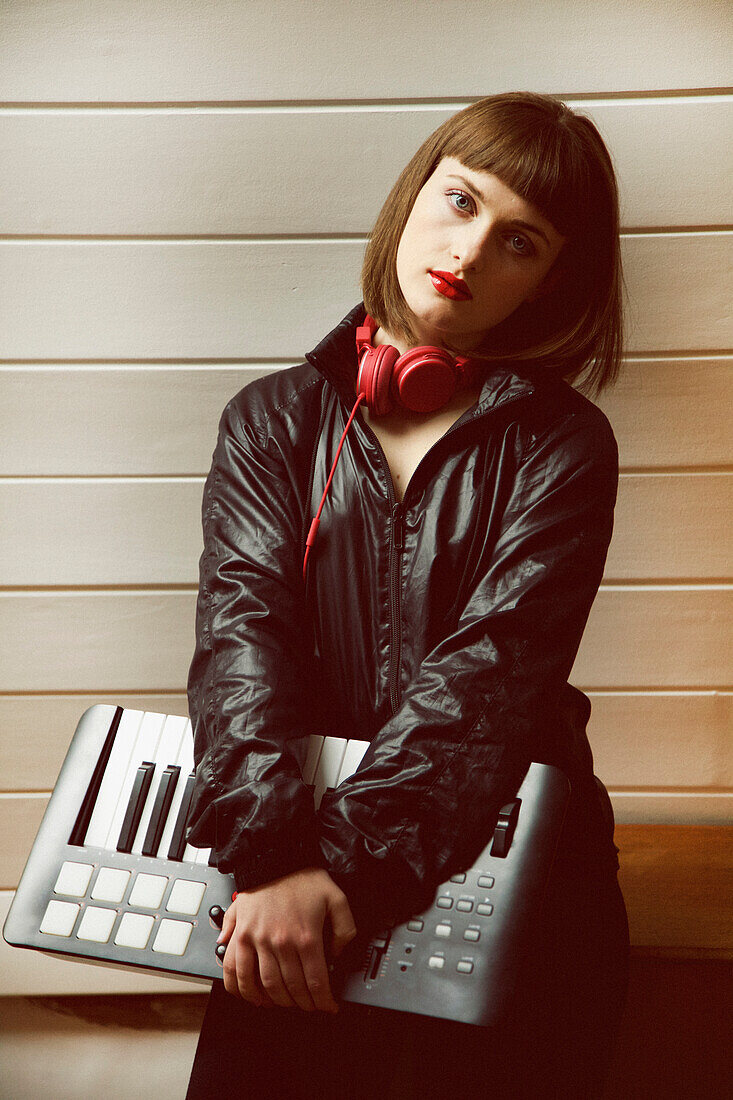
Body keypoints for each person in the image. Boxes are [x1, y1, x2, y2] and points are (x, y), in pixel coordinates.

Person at [184, 92, 630, 1099]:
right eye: (459, 201)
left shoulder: (562, 444)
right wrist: (273, 861)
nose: (468, 253)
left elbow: (491, 676)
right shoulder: (271, 420)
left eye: (520, 242)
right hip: (281, 885)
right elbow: (238, 637)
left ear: (550, 280)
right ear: (413, 194)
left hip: (507, 877)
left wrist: (330, 875)